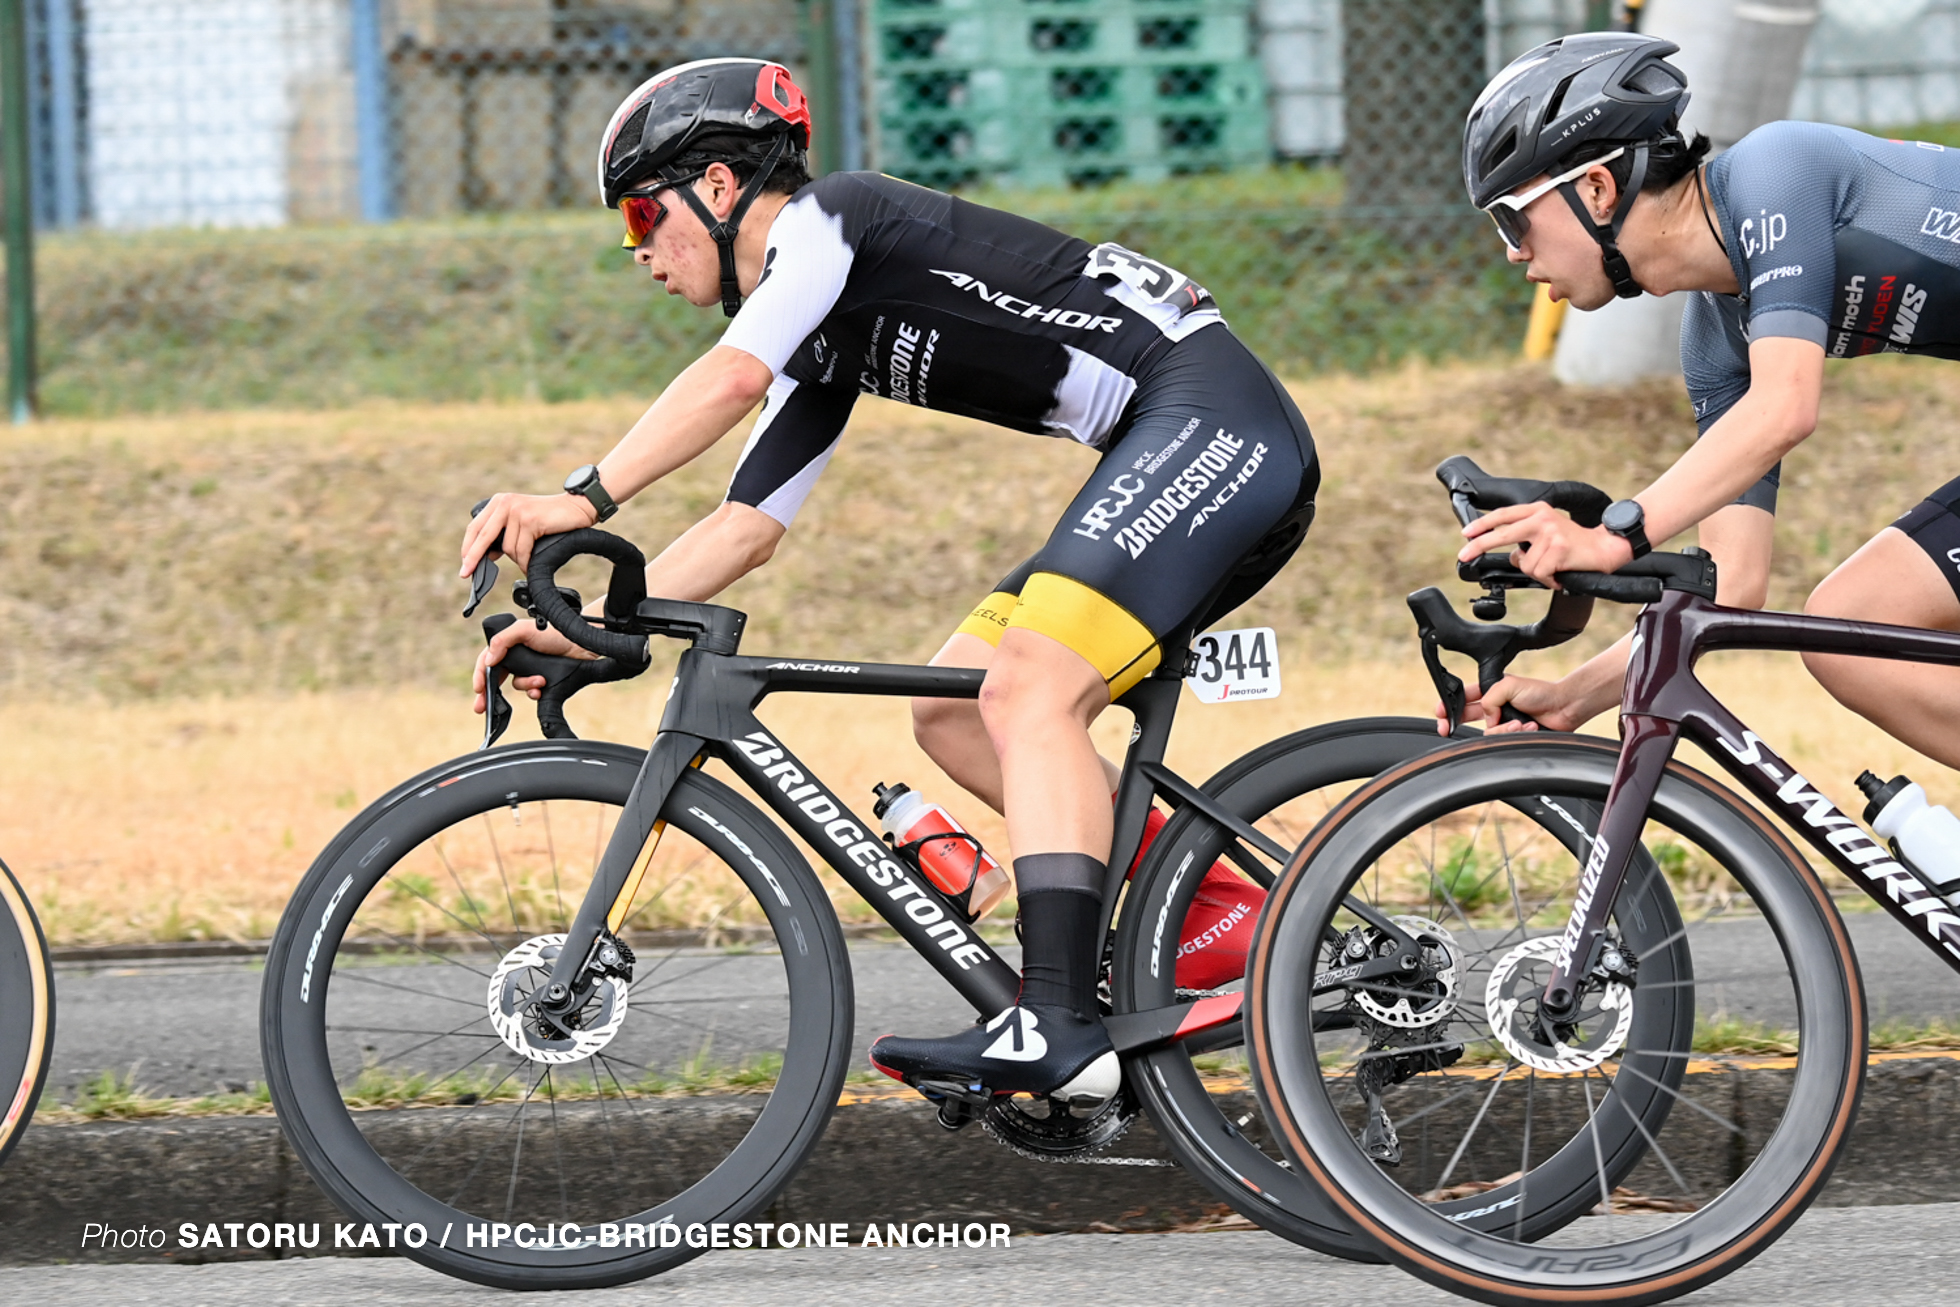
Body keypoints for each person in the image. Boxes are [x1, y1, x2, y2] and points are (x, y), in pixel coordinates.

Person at [459, 58, 1318, 1102]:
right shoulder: (822, 331)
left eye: (643, 213)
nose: (636, 249)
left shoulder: (834, 218)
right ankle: (1219, 916)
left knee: (1029, 690)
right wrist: (589, 629)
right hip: (1178, 440)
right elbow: (744, 527)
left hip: (1212, 421)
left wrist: (581, 498)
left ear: (718, 187)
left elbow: (730, 377)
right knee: (951, 708)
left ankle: (1055, 1024)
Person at [1450, 31, 1960, 773]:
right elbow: (1733, 581)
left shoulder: (1777, 170)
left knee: (1857, 623)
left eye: (1511, 217)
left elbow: (1785, 408)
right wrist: (1570, 698)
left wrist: (1614, 537)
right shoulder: (1717, 335)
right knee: (1853, 631)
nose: (1512, 251)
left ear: (1596, 189)